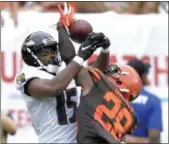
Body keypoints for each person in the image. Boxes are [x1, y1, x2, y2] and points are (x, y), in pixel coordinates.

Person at [14, 4, 110, 143]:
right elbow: (54, 88)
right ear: (31, 56)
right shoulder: (26, 75)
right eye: (46, 53)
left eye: (54, 51)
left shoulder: (63, 72)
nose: (52, 56)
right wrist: (80, 57)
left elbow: (95, 74)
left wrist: (105, 49)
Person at [125, 59, 163, 143]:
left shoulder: (114, 97)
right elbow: (154, 139)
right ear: (142, 76)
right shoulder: (153, 101)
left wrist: (124, 139)